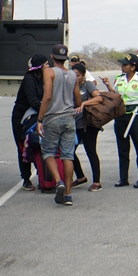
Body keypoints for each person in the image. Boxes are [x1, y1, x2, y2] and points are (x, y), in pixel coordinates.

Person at [101, 54, 138, 189]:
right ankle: (123, 178)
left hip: (135, 116)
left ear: (133, 67)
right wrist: (108, 86)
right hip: (121, 116)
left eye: (125, 65)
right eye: (122, 64)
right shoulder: (119, 79)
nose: (122, 67)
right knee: (122, 148)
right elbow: (116, 96)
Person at [35, 44, 82, 206]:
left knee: (48, 151)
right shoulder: (73, 75)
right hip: (69, 118)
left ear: (52, 57)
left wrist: (39, 119)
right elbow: (78, 100)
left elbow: (47, 96)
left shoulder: (49, 72)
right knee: (67, 156)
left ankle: (58, 181)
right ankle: (68, 194)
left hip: (52, 118)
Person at [11, 54, 48, 191]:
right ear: (39, 67)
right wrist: (47, 110)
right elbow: (33, 101)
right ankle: (26, 178)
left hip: (37, 115)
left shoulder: (43, 78)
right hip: (22, 117)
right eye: (46, 65)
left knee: (39, 145)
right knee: (23, 146)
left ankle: (43, 176)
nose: (48, 67)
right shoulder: (29, 79)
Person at [71, 63, 104, 191]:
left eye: (78, 76)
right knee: (69, 151)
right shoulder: (69, 86)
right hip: (74, 124)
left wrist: (84, 103)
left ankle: (97, 182)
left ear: (83, 75)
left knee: (90, 151)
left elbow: (98, 98)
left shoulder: (87, 85)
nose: (75, 78)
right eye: (73, 75)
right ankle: (80, 177)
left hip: (88, 125)